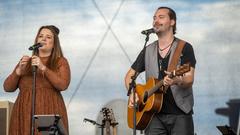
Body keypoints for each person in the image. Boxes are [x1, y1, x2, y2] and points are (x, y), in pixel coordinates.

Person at [125, 7, 196, 135]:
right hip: (153, 116)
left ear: (172, 22)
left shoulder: (184, 47)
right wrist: (132, 94)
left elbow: (189, 78)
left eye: (161, 17)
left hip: (180, 115)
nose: (156, 21)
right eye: (154, 18)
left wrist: (177, 80)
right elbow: (129, 76)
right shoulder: (147, 50)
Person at [3, 25, 71, 135]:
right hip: (23, 112)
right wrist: (18, 71)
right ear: (36, 41)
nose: (43, 39)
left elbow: (63, 84)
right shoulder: (25, 62)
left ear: (54, 45)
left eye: (48, 37)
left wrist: (43, 67)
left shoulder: (60, 61)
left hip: (49, 109)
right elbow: (7, 87)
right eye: (40, 36)